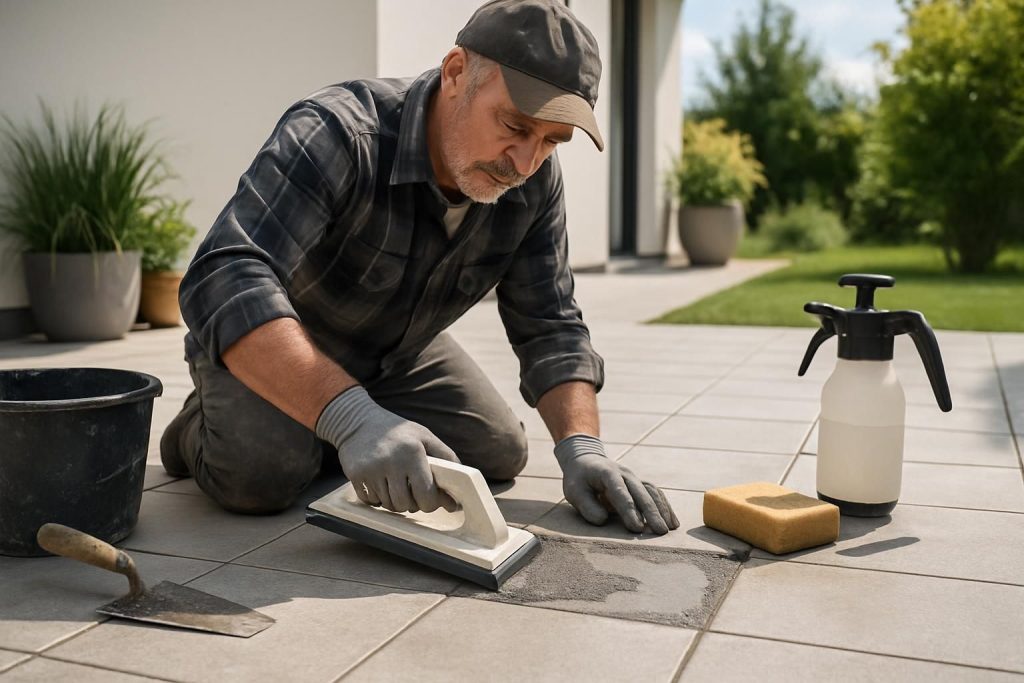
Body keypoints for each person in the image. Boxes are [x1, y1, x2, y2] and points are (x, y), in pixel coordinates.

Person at [162, 0, 680, 535]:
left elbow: (549, 321)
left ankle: (328, 420)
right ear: (456, 73)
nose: (524, 163)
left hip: (397, 348)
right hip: (283, 337)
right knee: (263, 479)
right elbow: (223, 275)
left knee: (498, 452)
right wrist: (351, 418)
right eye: (513, 125)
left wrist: (583, 447)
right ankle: (203, 426)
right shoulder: (339, 131)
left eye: (551, 141)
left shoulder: (533, 181)